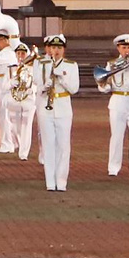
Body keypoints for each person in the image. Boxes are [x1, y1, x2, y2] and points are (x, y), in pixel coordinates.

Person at [35, 34, 81, 190]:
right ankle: (50, 181)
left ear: (64, 50)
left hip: (63, 106)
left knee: (63, 145)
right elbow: (37, 86)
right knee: (48, 144)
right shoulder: (40, 64)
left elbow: (74, 89)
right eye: (54, 47)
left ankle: (61, 181)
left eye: (59, 48)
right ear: (49, 49)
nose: (56, 51)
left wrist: (62, 79)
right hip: (45, 107)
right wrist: (45, 85)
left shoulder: (71, 65)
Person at [101, 33, 129, 175]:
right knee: (116, 136)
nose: (127, 50)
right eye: (124, 47)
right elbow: (107, 87)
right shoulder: (112, 64)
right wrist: (102, 83)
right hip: (118, 100)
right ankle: (113, 168)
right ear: (118, 48)